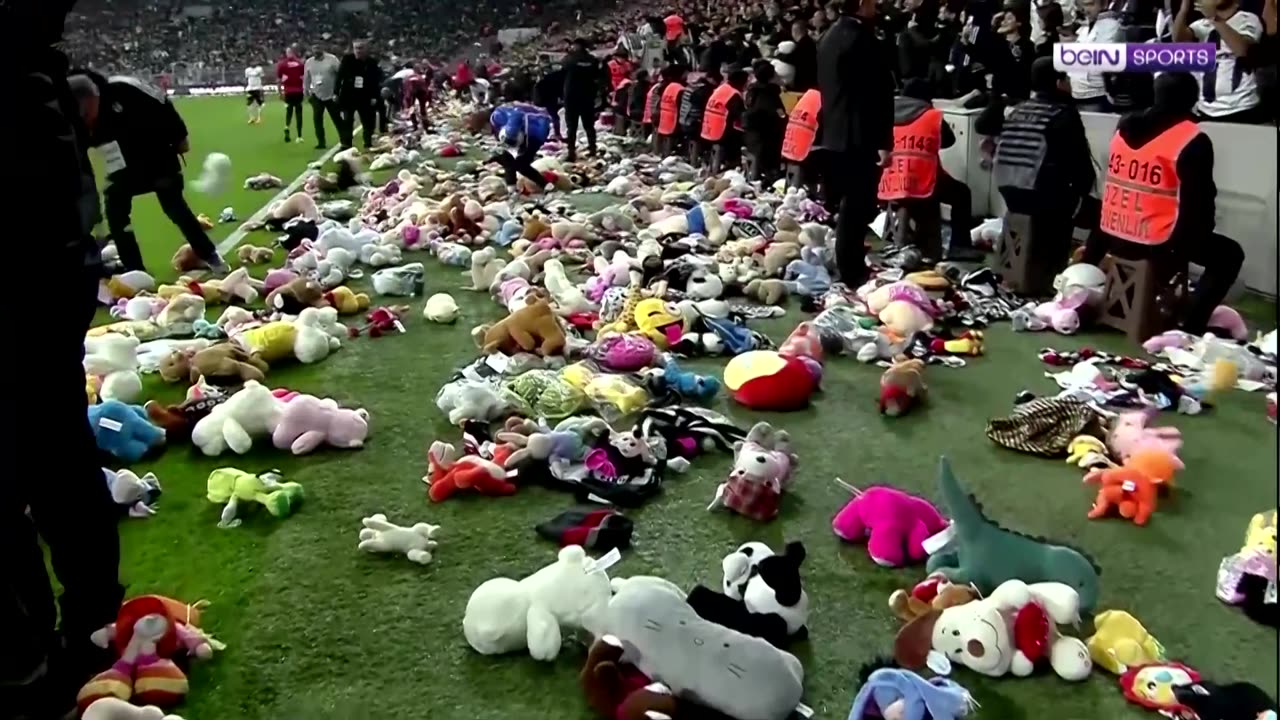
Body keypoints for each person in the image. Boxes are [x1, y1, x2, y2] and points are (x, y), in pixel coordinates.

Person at [7, 7, 124, 718]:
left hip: (27, 282)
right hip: (46, 278)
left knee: (47, 463)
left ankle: (32, 656)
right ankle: (82, 627)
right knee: (58, 458)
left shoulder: (20, 72)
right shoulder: (32, 64)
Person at [1081, 72, 1244, 334]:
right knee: (1229, 255)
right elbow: (1200, 205)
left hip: (1112, 233)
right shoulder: (1191, 139)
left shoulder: (1123, 128)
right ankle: (1188, 326)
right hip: (1156, 242)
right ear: (1193, 99)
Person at [67, 71, 230, 275]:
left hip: (155, 153)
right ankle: (133, 268)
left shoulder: (125, 89)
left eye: (86, 113)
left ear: (94, 97)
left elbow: (162, 102)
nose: (86, 120)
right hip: (117, 162)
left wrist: (180, 137)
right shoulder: (71, 117)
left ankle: (209, 254)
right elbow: (78, 157)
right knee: (116, 215)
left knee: (175, 207)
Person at [817, 0, 895, 286]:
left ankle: (848, 263)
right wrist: (884, 140)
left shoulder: (828, 37)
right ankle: (853, 271)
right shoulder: (863, 40)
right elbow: (877, 96)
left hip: (834, 133)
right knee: (857, 206)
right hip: (860, 136)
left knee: (848, 206)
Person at [986, 58, 1098, 242]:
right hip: (1041, 198)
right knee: (1101, 216)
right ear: (1058, 83)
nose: (1070, 83)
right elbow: (1081, 168)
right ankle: (1072, 264)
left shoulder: (1017, 111)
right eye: (1067, 78)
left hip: (1008, 193)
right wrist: (1082, 194)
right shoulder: (1063, 114)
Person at [878, 79, 978, 258]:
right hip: (923, 184)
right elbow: (949, 141)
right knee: (962, 194)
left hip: (889, 183)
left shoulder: (884, 113)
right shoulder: (931, 115)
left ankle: (905, 239)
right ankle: (959, 246)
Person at [1173, 0, 1266, 122]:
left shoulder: (1248, 19)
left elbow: (1242, 50)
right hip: (1205, 110)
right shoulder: (1202, 24)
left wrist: (1215, 18)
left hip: (1241, 108)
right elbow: (1178, 42)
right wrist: (1183, 10)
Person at [1067, 0, 1120, 112]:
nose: (1086, 9)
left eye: (1091, 4)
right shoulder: (1084, 29)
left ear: (1103, 4)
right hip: (1077, 95)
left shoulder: (1111, 26)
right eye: (1084, 5)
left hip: (1095, 95)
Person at [489, 102, 555, 192]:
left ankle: (513, 188)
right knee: (511, 158)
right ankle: (545, 185)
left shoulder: (537, 131)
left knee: (519, 162)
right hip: (530, 126)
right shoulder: (500, 116)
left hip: (534, 131)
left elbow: (518, 116)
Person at [745, 60, 790, 183]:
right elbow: (780, 115)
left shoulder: (751, 91)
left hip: (751, 137)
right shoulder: (770, 95)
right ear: (771, 77)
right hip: (767, 141)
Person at [562, 38, 605, 162]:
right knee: (589, 125)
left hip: (571, 97)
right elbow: (597, 74)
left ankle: (571, 152)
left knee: (572, 126)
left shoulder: (570, 59)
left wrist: (569, 52)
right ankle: (592, 149)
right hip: (587, 96)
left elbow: (563, 65)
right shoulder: (592, 60)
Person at [336, 39, 383, 149]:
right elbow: (340, 77)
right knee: (347, 121)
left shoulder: (372, 62)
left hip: (365, 95)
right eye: (356, 48)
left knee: (368, 121)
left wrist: (375, 96)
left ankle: (367, 143)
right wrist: (336, 92)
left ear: (366, 49)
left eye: (361, 48)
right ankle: (347, 144)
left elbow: (376, 81)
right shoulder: (347, 60)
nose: (358, 50)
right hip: (349, 95)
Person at [701, 67, 750, 169]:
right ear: (741, 81)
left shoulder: (721, 88)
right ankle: (732, 164)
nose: (747, 84)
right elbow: (740, 116)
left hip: (708, 129)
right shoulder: (733, 94)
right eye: (746, 81)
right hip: (721, 132)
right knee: (745, 136)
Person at [305, 46, 343, 150]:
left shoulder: (332, 59)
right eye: (314, 48)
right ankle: (321, 142)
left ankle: (344, 140)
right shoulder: (309, 62)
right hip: (317, 95)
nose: (316, 50)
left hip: (331, 94)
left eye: (318, 48)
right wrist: (306, 90)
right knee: (317, 120)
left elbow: (340, 74)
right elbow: (307, 78)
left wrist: (339, 91)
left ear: (322, 48)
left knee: (337, 118)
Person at [680, 69, 721, 164]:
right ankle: (705, 158)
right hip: (692, 124)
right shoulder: (706, 90)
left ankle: (694, 155)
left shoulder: (692, 87)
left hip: (684, 122)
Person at [277, 46, 306, 143]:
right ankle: (299, 136)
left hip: (288, 91)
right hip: (298, 91)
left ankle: (287, 126)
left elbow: (279, 80)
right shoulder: (300, 63)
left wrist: (280, 92)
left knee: (289, 111)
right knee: (299, 113)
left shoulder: (282, 64)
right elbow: (303, 77)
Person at [533, 61, 566, 140]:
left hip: (545, 98)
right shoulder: (556, 75)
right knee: (553, 117)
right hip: (551, 98)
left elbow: (538, 87)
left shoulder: (544, 77)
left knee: (547, 117)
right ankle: (556, 133)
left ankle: (547, 134)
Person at [788, 17, 820, 91]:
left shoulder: (800, 47)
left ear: (794, 32)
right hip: (814, 80)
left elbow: (792, 61)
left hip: (805, 84)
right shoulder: (811, 43)